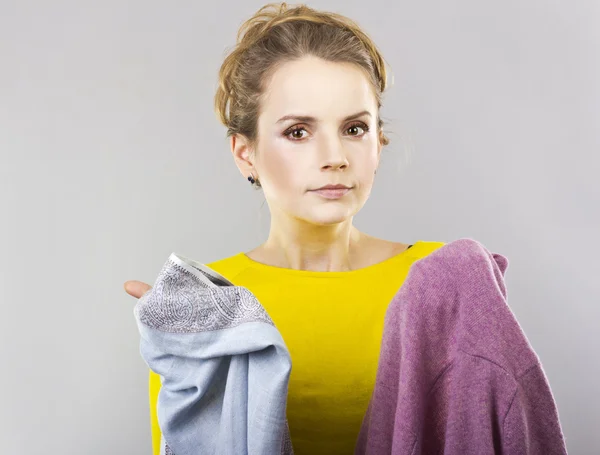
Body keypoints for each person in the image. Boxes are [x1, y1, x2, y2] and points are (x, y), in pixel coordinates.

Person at [124, 3, 445, 454]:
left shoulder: (442, 280)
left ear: (378, 142)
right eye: (298, 132)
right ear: (245, 154)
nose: (335, 155)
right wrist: (179, 334)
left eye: (355, 128)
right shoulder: (205, 301)